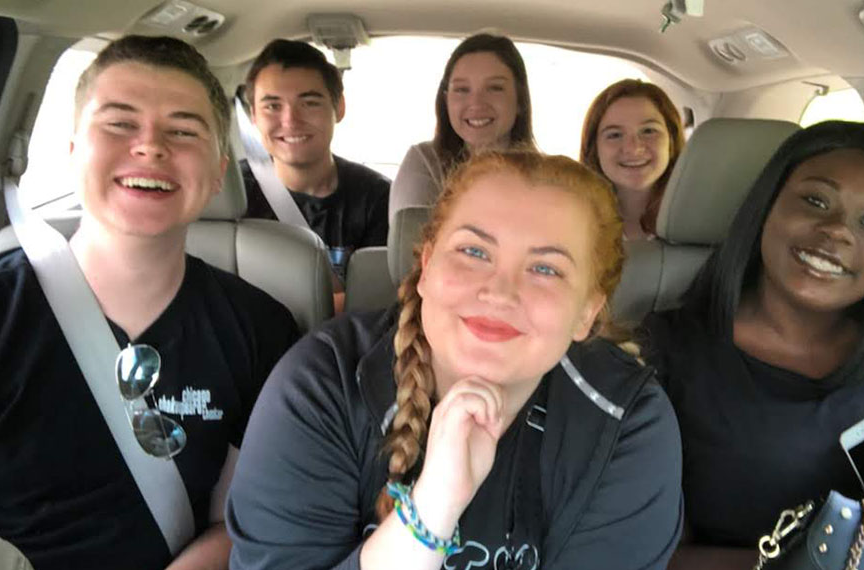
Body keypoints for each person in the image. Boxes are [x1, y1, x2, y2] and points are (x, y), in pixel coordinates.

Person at [227, 150, 683, 570]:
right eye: (474, 251)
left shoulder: (627, 419)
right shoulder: (324, 382)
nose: (500, 292)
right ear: (426, 267)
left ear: (586, 312)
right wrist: (432, 509)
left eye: (546, 268)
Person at [0, 36, 299, 570]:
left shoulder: (260, 328)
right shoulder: (3, 308)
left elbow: (237, 521)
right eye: (118, 123)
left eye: (183, 131)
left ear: (216, 173)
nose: (150, 147)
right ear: (71, 154)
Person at [639, 121, 864, 569]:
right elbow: (649, 558)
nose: (838, 231)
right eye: (815, 200)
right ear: (767, 205)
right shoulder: (661, 357)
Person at [243, 39, 390, 279]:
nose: (290, 120)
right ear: (254, 116)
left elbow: (368, 301)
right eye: (272, 106)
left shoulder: (376, 199)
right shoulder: (229, 196)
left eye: (309, 103)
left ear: (339, 108)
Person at [388, 33, 536, 222]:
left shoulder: (545, 177)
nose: (476, 103)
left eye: (495, 88)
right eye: (462, 89)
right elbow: (412, 245)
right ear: (445, 100)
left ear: (520, 101)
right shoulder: (425, 163)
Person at [580, 79, 685, 240]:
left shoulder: (702, 219)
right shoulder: (574, 222)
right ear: (595, 150)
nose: (633, 148)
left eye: (648, 131)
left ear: (671, 141)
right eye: (615, 135)